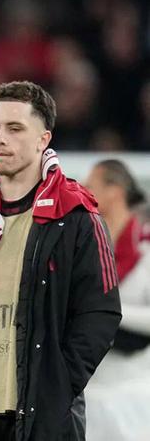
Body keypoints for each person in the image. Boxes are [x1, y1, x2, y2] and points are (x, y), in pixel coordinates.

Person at [0, 81, 121, 441]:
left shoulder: (76, 217)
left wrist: (58, 386)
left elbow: (101, 312)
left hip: (38, 416)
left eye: (15, 128)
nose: (0, 139)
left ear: (43, 139)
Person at [83, 160, 150, 441]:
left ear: (115, 191)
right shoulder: (83, 247)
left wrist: (105, 311)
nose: (84, 192)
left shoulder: (146, 248)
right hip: (89, 390)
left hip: (135, 389)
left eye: (91, 185)